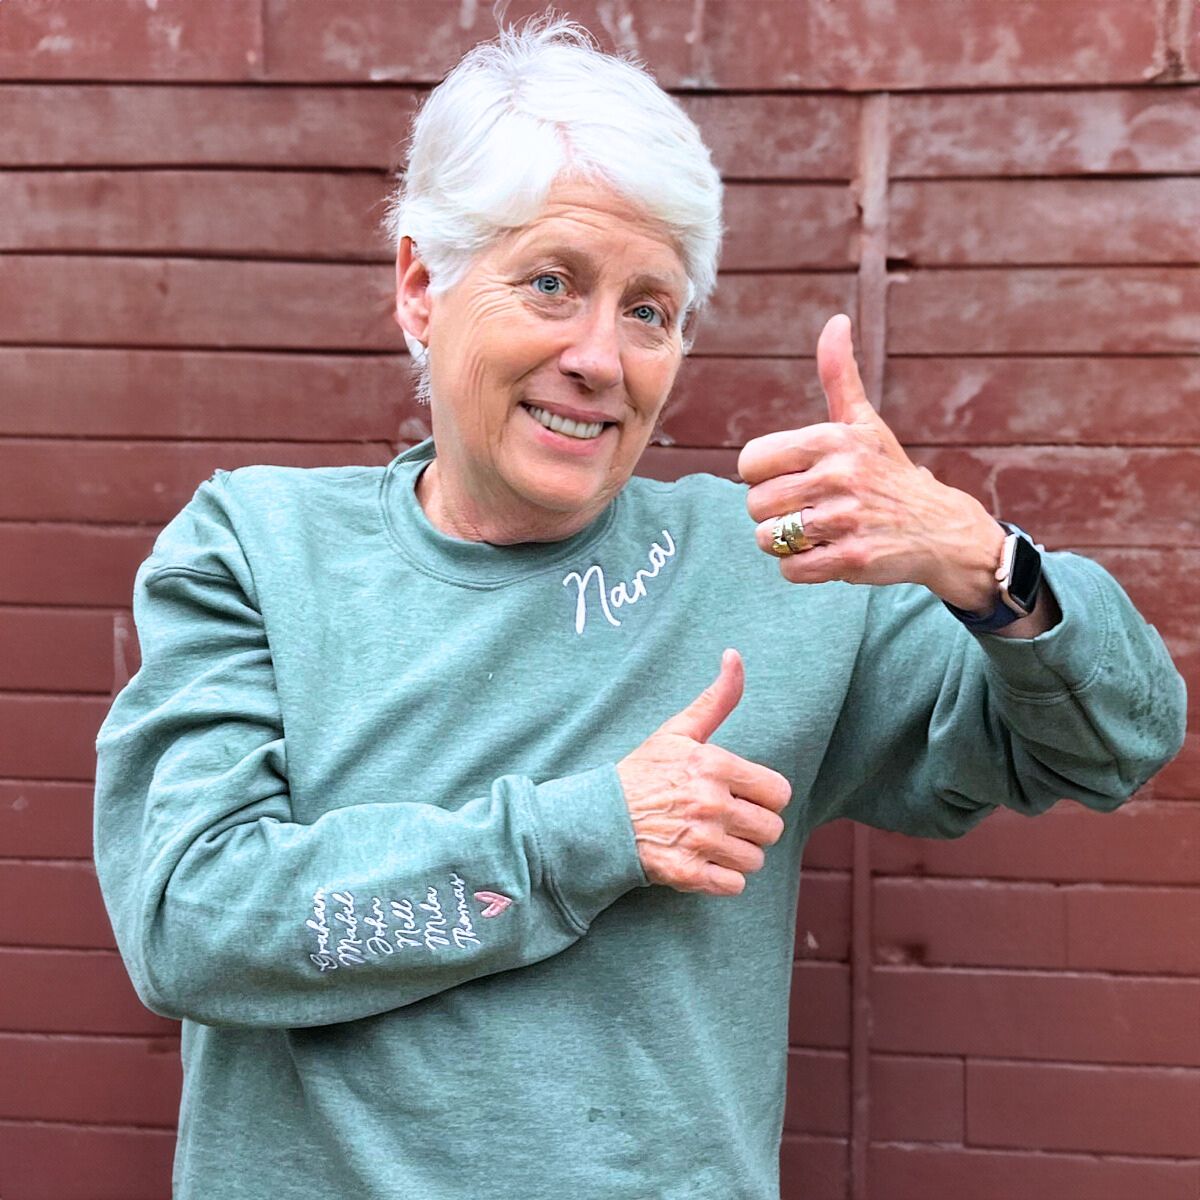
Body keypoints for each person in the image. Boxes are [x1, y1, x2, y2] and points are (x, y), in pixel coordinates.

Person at [92, 17, 1186, 1200]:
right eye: (552, 283)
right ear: (423, 285)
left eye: (650, 309)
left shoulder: (776, 569)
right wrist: (595, 834)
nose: (599, 358)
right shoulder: (258, 549)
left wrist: (982, 560)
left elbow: (1117, 743)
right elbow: (191, 923)